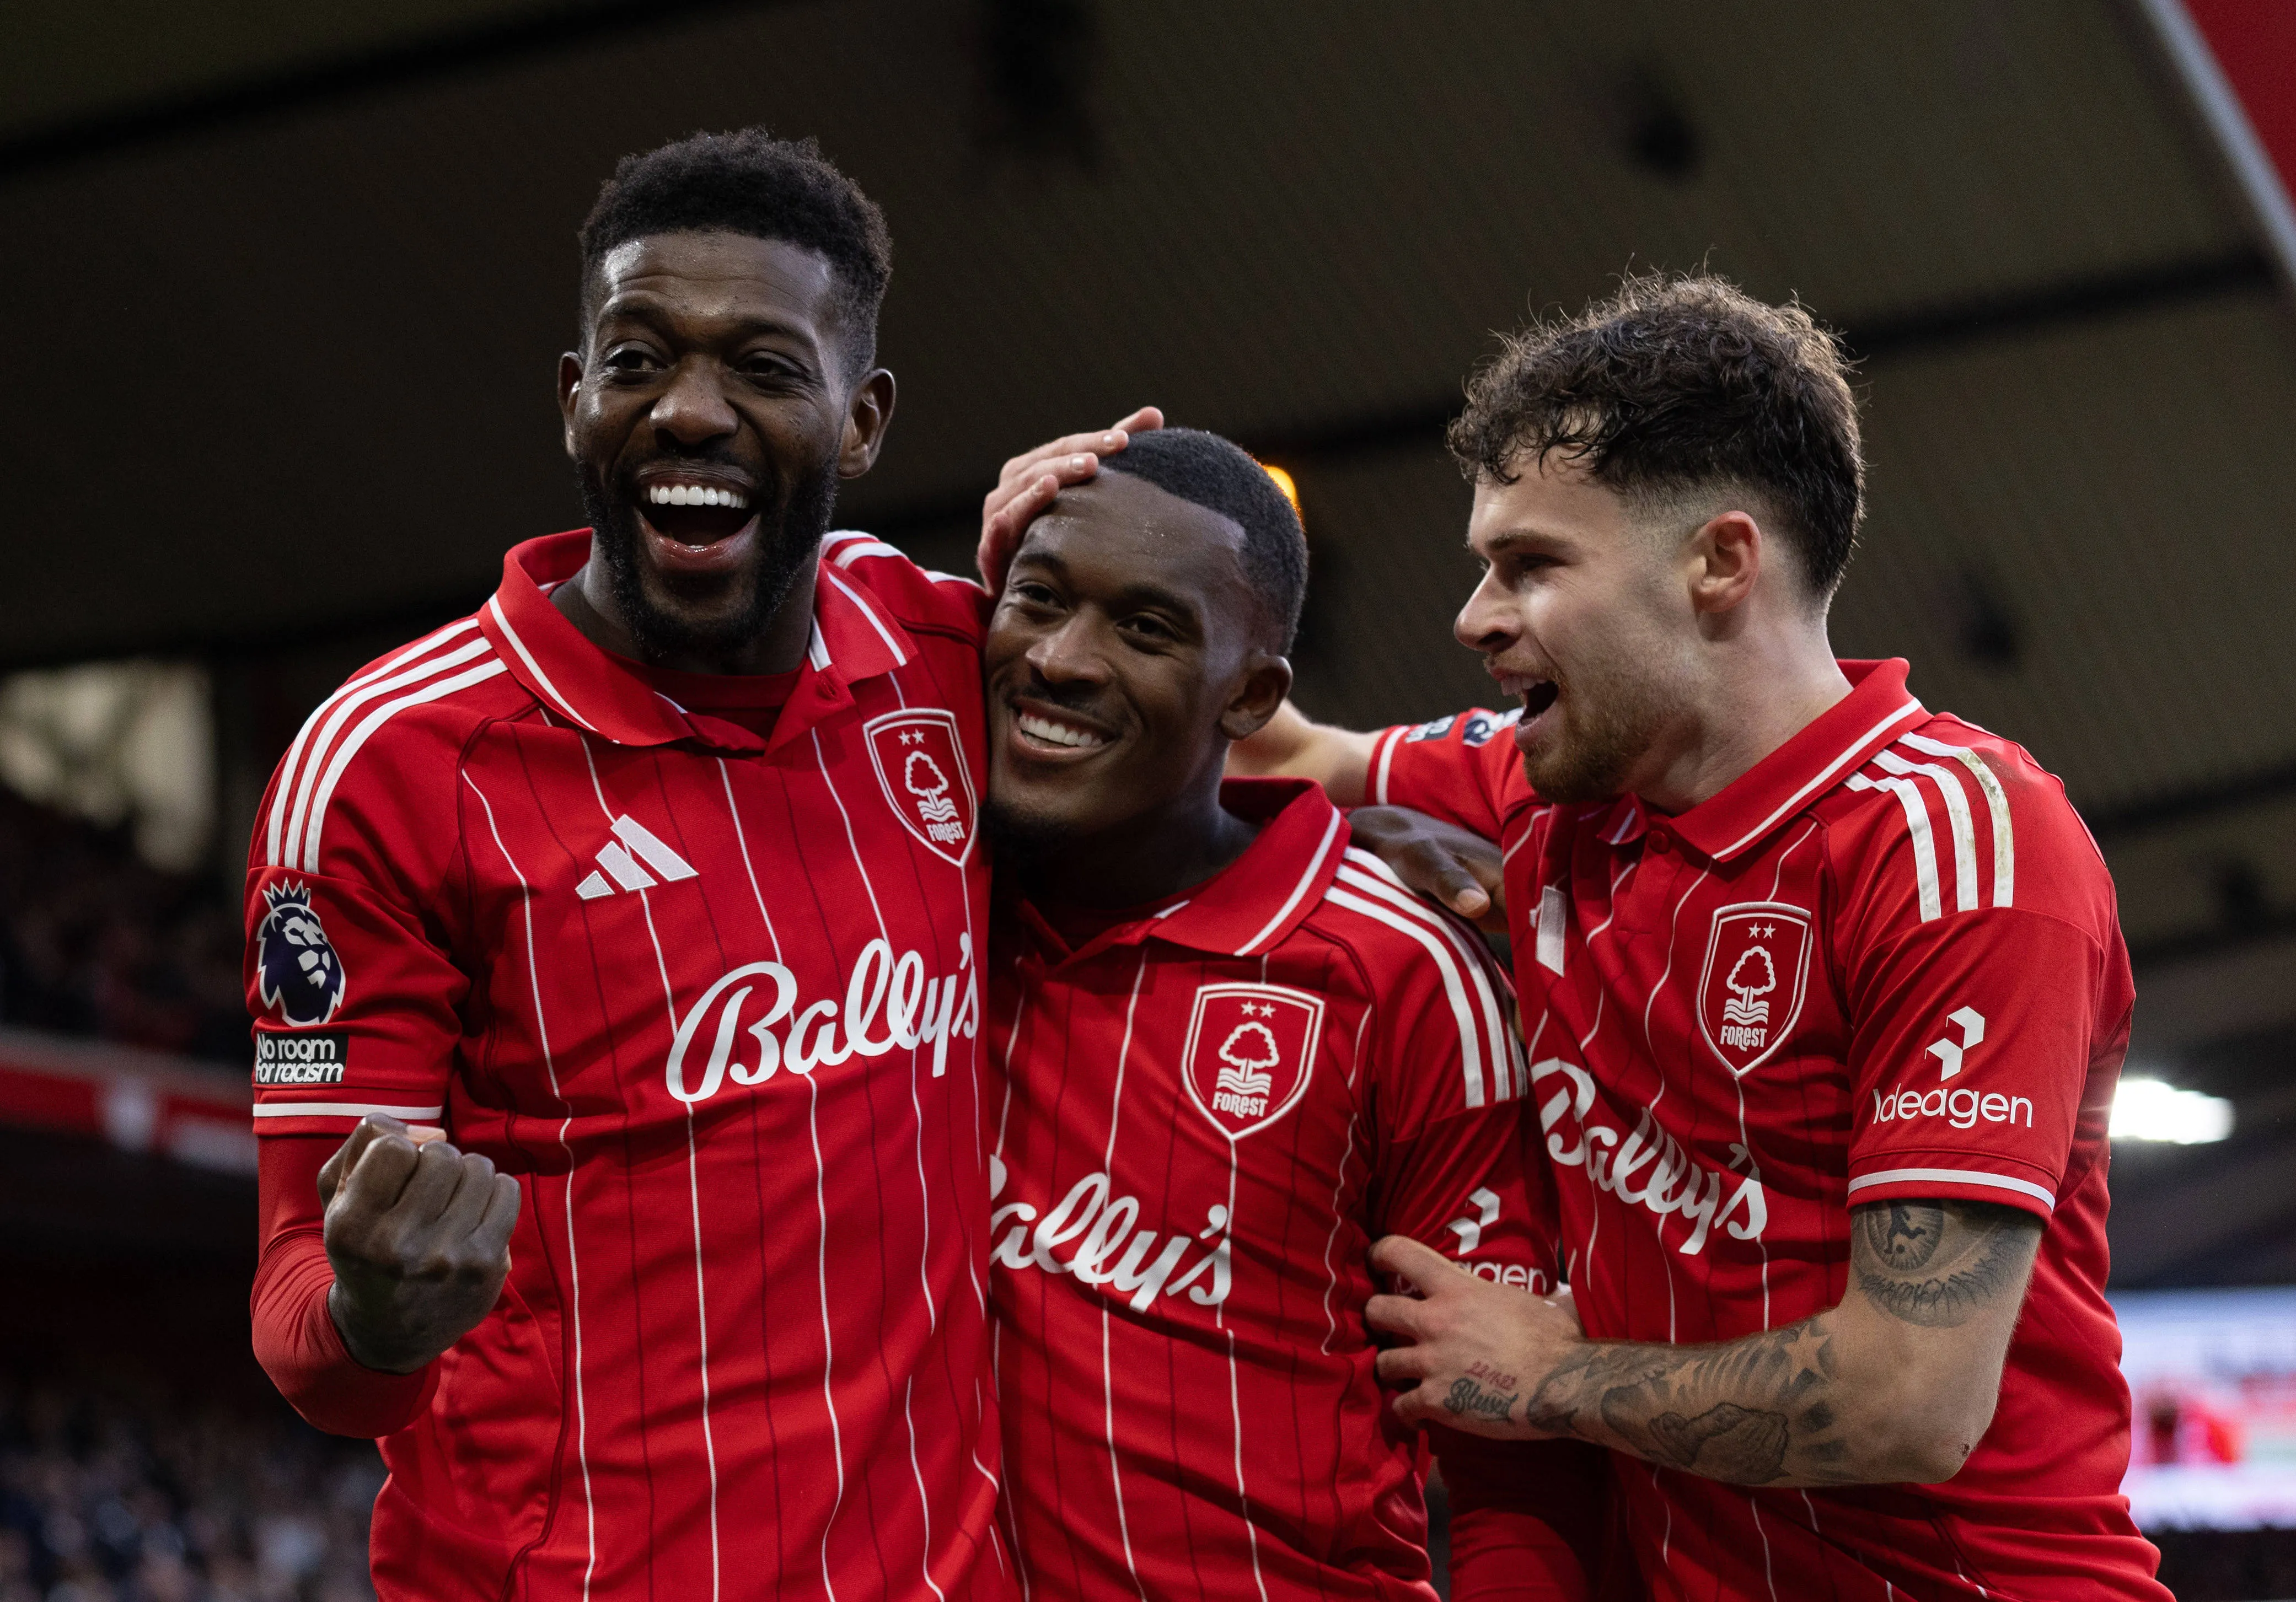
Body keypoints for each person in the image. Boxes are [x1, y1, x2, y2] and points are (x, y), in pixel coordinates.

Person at [1003, 276, 2169, 1599]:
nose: (1474, 618)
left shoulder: (1957, 845)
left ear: (1719, 562)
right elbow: (1242, 726)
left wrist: (1554, 1376)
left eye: (1531, 565)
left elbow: (1912, 1399)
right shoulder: (1549, 796)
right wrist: (1029, 559)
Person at [242, 128, 1154, 1600]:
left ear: (861, 422)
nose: (690, 411)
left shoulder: (933, 657)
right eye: (639, 359)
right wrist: (379, 1318)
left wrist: (1084, 582)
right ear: (572, 397)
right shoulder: (390, 765)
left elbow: (1196, 745)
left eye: (766, 370)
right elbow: (305, 1324)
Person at [977, 427, 1607, 1600]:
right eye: (1039, 599)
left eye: (1146, 627)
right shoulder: (902, 905)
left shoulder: (1395, 968)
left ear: (1252, 694)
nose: (1062, 658)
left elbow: (1510, 1460)